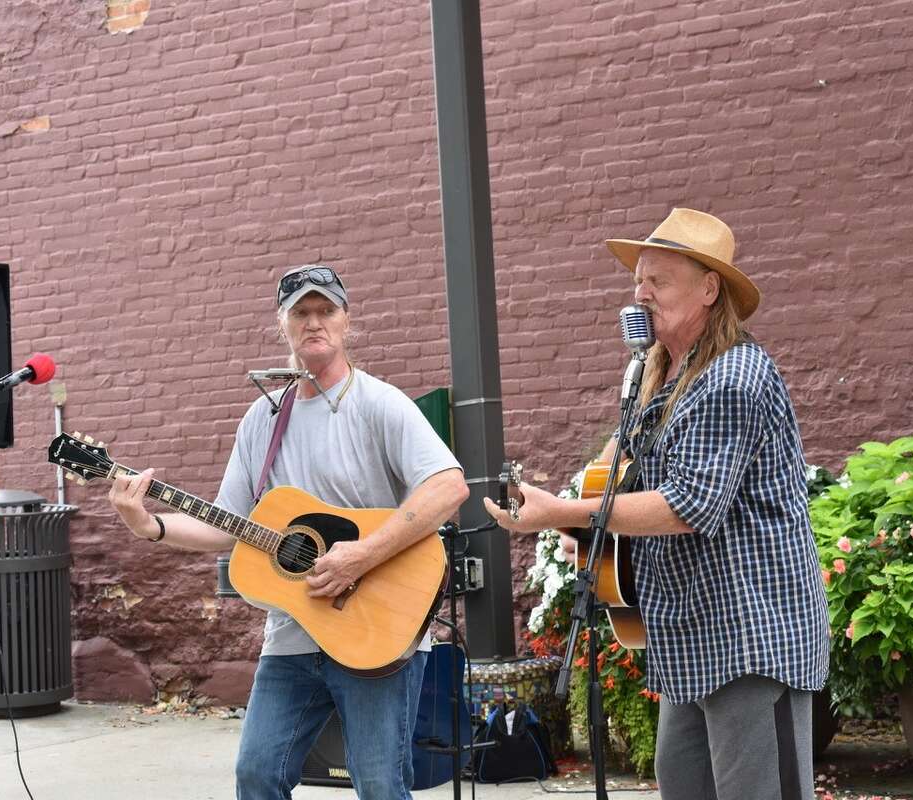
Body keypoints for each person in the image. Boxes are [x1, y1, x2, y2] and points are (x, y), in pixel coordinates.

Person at [485, 209, 829, 800]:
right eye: (637, 280)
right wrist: (591, 532)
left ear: (708, 289)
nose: (640, 294)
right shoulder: (654, 373)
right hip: (686, 635)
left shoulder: (734, 376)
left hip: (751, 636)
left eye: (658, 281)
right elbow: (618, 475)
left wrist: (566, 514)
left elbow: (689, 505)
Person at [109, 264, 469, 800]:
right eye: (301, 312)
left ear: (347, 322)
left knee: (379, 785)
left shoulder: (378, 403)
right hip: (292, 636)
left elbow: (448, 487)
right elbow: (230, 523)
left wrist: (361, 556)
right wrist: (150, 525)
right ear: (283, 325)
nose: (314, 322)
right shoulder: (263, 419)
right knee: (257, 775)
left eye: (326, 310)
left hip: (377, 631)